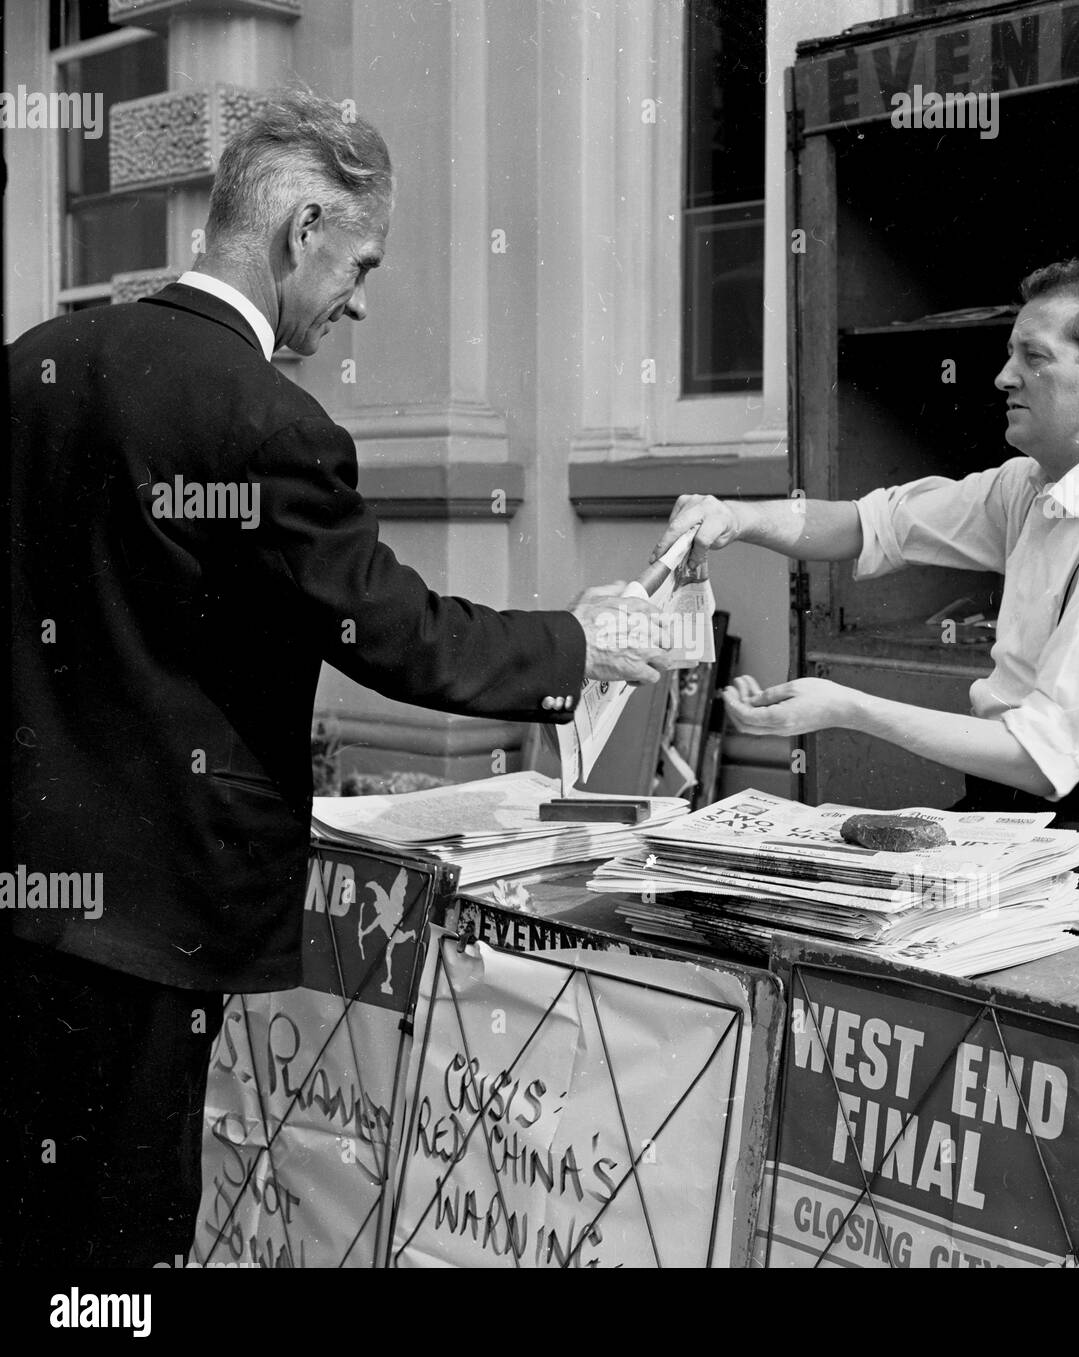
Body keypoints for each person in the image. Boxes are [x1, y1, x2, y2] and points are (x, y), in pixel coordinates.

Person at [3, 88, 670, 1268]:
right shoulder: (265, 420)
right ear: (301, 229)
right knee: (117, 1243)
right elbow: (396, 635)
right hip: (147, 926)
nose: (359, 299)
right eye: (359, 263)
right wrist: (571, 646)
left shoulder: (33, 367)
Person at [656, 256, 1079, 916]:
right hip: (1009, 807)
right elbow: (873, 524)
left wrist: (846, 707)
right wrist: (736, 517)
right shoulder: (1029, 485)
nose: (1003, 376)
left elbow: (1043, 759)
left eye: (1033, 357)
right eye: (1010, 353)